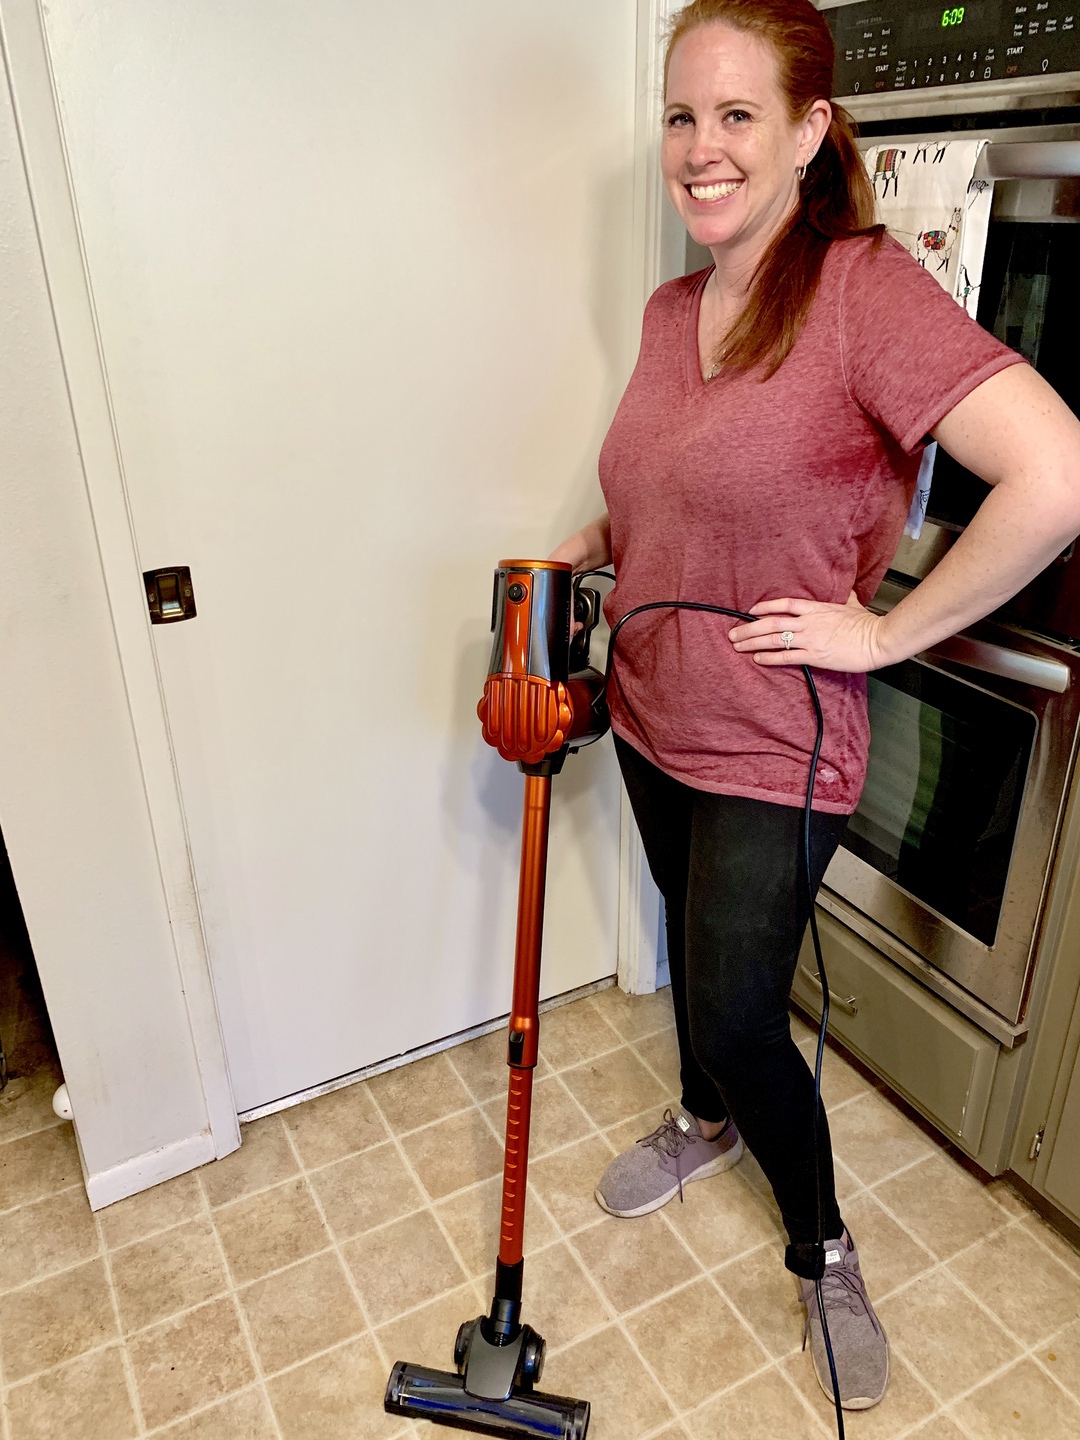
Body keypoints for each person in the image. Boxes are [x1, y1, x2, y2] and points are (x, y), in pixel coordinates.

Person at [550, 0, 1080, 1413]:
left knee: (733, 1007)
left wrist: (887, 628)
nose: (703, 146)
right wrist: (591, 552)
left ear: (807, 132)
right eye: (682, 114)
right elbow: (664, 493)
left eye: (737, 116)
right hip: (657, 714)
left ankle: (820, 1240)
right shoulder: (676, 311)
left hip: (779, 742)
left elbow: (1057, 473)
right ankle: (703, 1125)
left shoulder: (860, 292)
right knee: (692, 948)